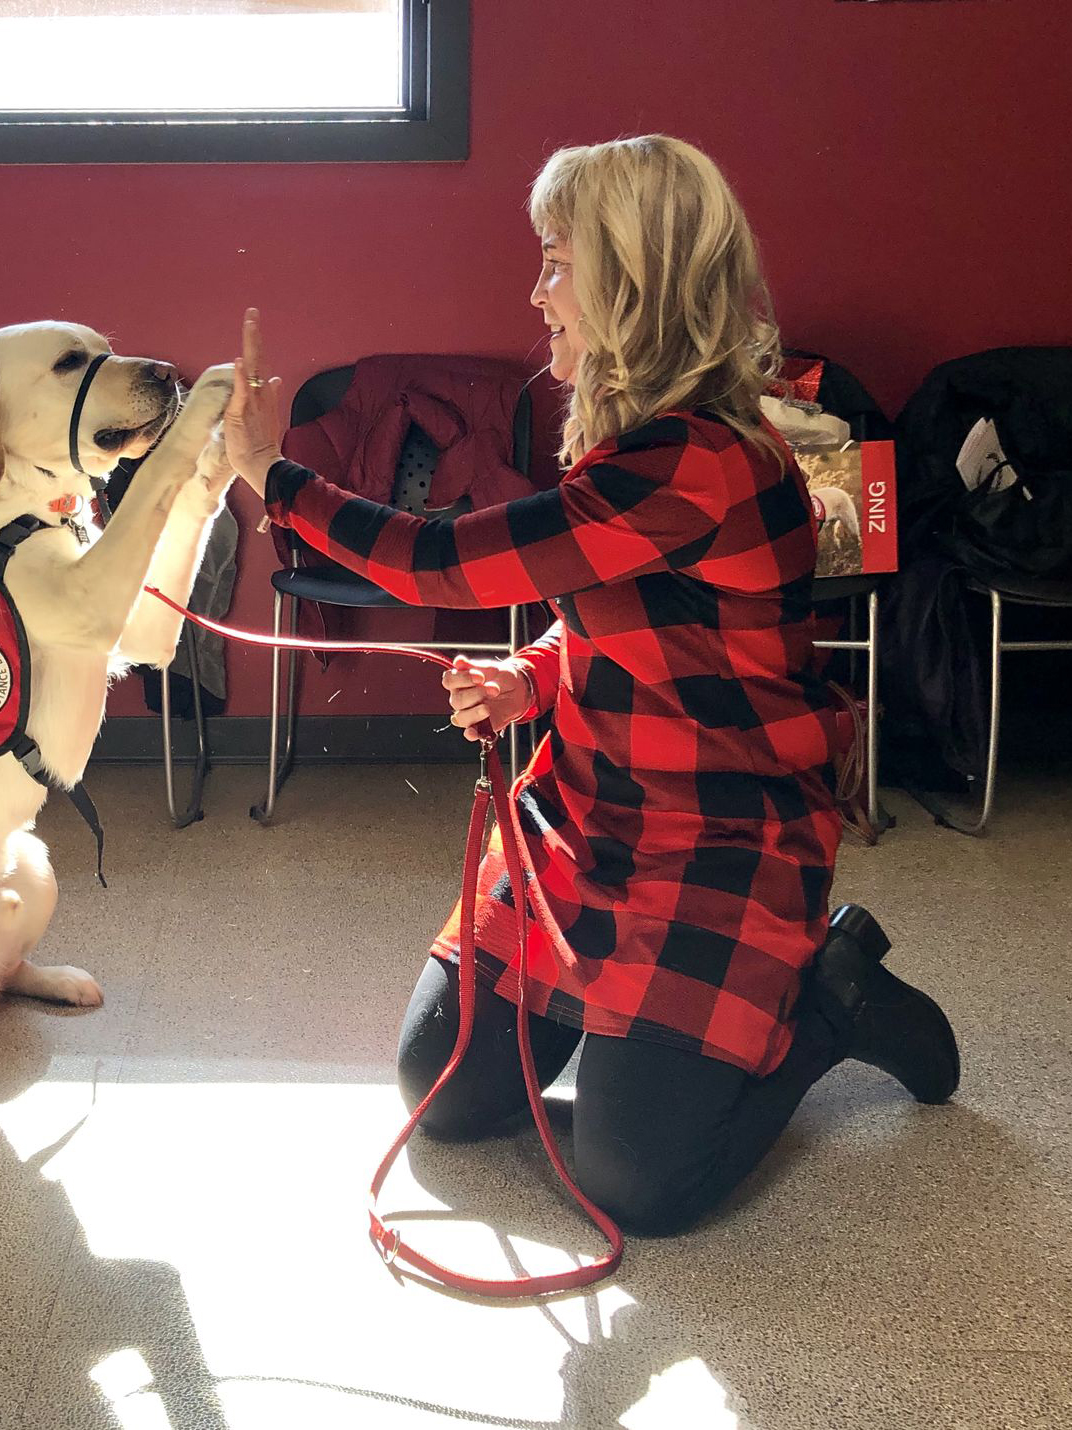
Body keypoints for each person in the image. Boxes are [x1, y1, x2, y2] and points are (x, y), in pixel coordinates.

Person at [220, 135, 959, 1236]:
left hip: (717, 838)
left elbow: (441, 559)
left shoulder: (699, 458)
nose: (535, 291)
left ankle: (831, 992)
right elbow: (627, 624)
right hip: (585, 816)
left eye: (556, 262)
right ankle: (651, 1034)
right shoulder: (632, 441)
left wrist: (271, 475)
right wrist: (528, 677)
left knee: (638, 1182)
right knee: (445, 1093)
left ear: (634, 282)